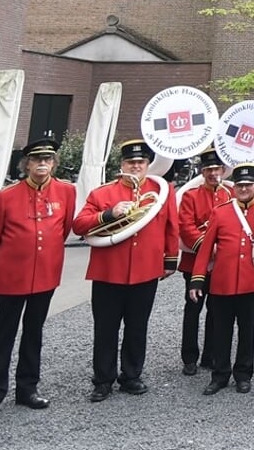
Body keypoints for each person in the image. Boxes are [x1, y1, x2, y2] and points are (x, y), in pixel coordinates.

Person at [74, 139, 179, 402]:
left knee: (137, 327)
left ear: (147, 165)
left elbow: (171, 227)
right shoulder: (102, 193)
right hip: (109, 272)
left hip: (145, 271)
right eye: (131, 162)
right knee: (105, 329)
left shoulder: (161, 192)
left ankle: (131, 375)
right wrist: (109, 214)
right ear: (122, 165)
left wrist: (169, 261)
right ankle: (103, 380)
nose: (136, 166)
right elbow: (79, 225)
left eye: (141, 162)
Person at [188, 164, 254, 395]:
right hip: (222, 282)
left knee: (247, 331)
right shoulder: (220, 211)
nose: (244, 189)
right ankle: (219, 375)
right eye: (240, 185)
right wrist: (197, 280)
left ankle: (243, 374)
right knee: (221, 331)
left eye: (248, 185)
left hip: (250, 282)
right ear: (234, 187)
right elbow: (206, 247)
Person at [0, 138, 75, 410]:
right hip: (9, 278)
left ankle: (27, 390)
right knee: (3, 335)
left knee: (34, 333)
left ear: (54, 164)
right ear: (26, 164)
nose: (42, 164)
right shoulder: (6, 196)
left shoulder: (66, 192)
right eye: (36, 160)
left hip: (45, 276)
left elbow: (63, 230)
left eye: (47, 160)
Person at [177, 148, 229, 374]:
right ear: (202, 171)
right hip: (195, 261)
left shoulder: (231, 195)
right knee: (193, 310)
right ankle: (189, 357)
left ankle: (211, 355)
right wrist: (208, 247)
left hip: (221, 263)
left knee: (217, 311)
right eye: (208, 169)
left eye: (216, 169)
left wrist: (223, 249)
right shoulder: (191, 196)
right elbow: (186, 228)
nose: (212, 173)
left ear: (223, 170)